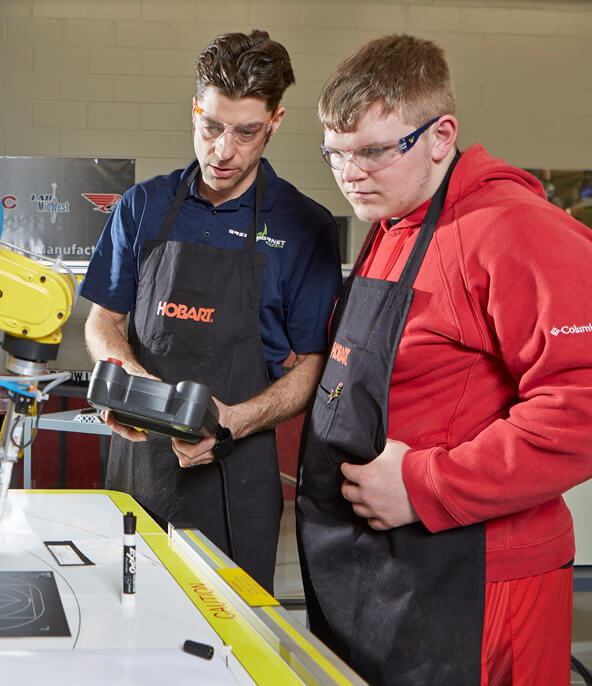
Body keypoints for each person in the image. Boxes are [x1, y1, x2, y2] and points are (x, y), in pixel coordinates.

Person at [296, 34, 592, 686]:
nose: (350, 173)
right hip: (391, 571)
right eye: (336, 153)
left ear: (440, 135)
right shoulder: (392, 227)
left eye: (374, 151)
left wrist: (431, 484)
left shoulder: (513, 228)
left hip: (480, 580)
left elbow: (584, 403)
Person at [80, 31, 342, 593]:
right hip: (139, 467)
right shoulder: (143, 206)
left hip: (236, 479)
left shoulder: (305, 226)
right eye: (211, 128)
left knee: (228, 647)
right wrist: (127, 381)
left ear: (274, 121)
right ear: (194, 110)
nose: (224, 151)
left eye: (246, 132)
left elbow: (314, 365)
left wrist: (232, 421)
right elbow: (104, 321)